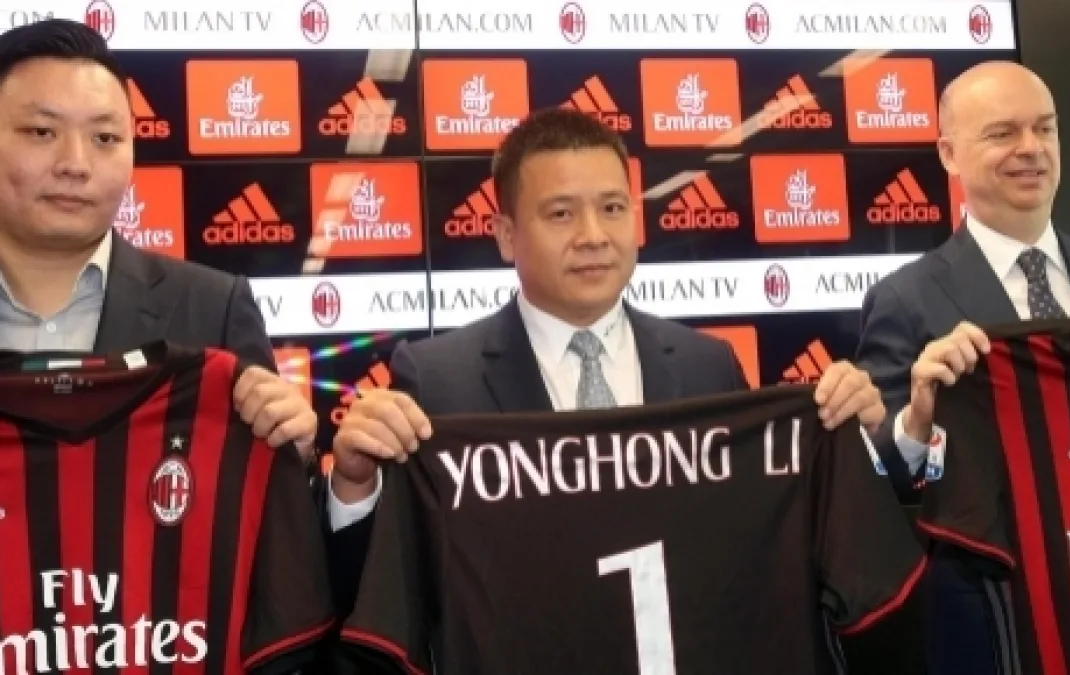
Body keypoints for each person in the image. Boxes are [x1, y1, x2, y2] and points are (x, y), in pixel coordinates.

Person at [322, 107, 889, 609]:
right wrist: (354, 487)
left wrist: (851, 447)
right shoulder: (437, 379)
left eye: (613, 207)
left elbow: (765, 543)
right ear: (505, 235)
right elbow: (384, 587)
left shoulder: (708, 366)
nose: (593, 236)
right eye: (561, 214)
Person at [855, 60, 1070, 675]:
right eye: (1002, 133)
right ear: (949, 154)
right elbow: (881, 473)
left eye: (1045, 128)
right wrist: (918, 422)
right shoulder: (904, 298)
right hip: (1002, 610)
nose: (1031, 148)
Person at [0, 19, 316, 456]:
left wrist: (297, 454)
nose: (75, 164)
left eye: (105, 138)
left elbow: (267, 491)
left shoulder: (213, 311)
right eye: (42, 132)